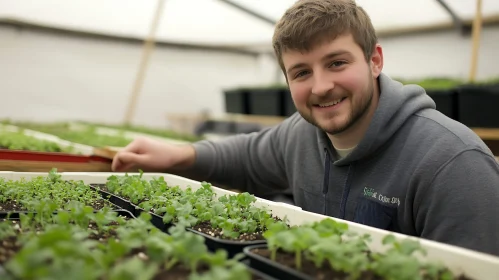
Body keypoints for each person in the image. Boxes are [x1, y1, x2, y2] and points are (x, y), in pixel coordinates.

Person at [112, 0, 499, 256]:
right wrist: (180, 155)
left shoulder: (452, 163)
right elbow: (244, 157)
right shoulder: (301, 135)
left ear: (375, 60)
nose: (320, 86)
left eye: (336, 63)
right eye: (301, 72)